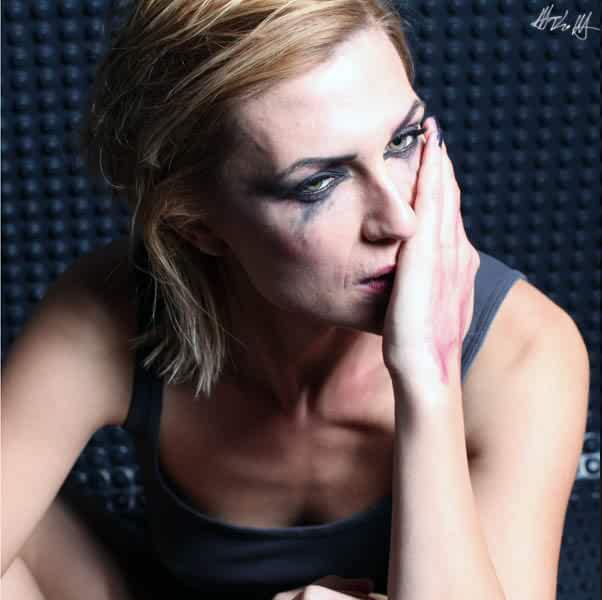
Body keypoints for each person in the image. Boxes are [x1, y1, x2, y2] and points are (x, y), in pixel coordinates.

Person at [2, 1, 589, 599]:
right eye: (319, 183)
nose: (400, 219)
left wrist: (428, 378)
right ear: (196, 225)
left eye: (404, 140)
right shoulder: (107, 314)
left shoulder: (526, 351)